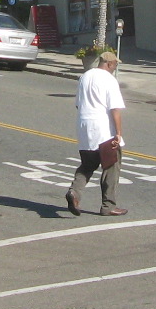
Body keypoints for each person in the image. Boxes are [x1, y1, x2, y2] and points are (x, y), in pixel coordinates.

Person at [68, 50, 127, 217]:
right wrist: (118, 133)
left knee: (88, 164)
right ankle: (108, 206)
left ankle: (74, 192)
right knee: (111, 165)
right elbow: (115, 108)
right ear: (108, 64)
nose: (115, 68)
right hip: (103, 129)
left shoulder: (85, 77)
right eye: (115, 65)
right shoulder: (109, 80)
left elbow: (78, 104)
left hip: (84, 126)